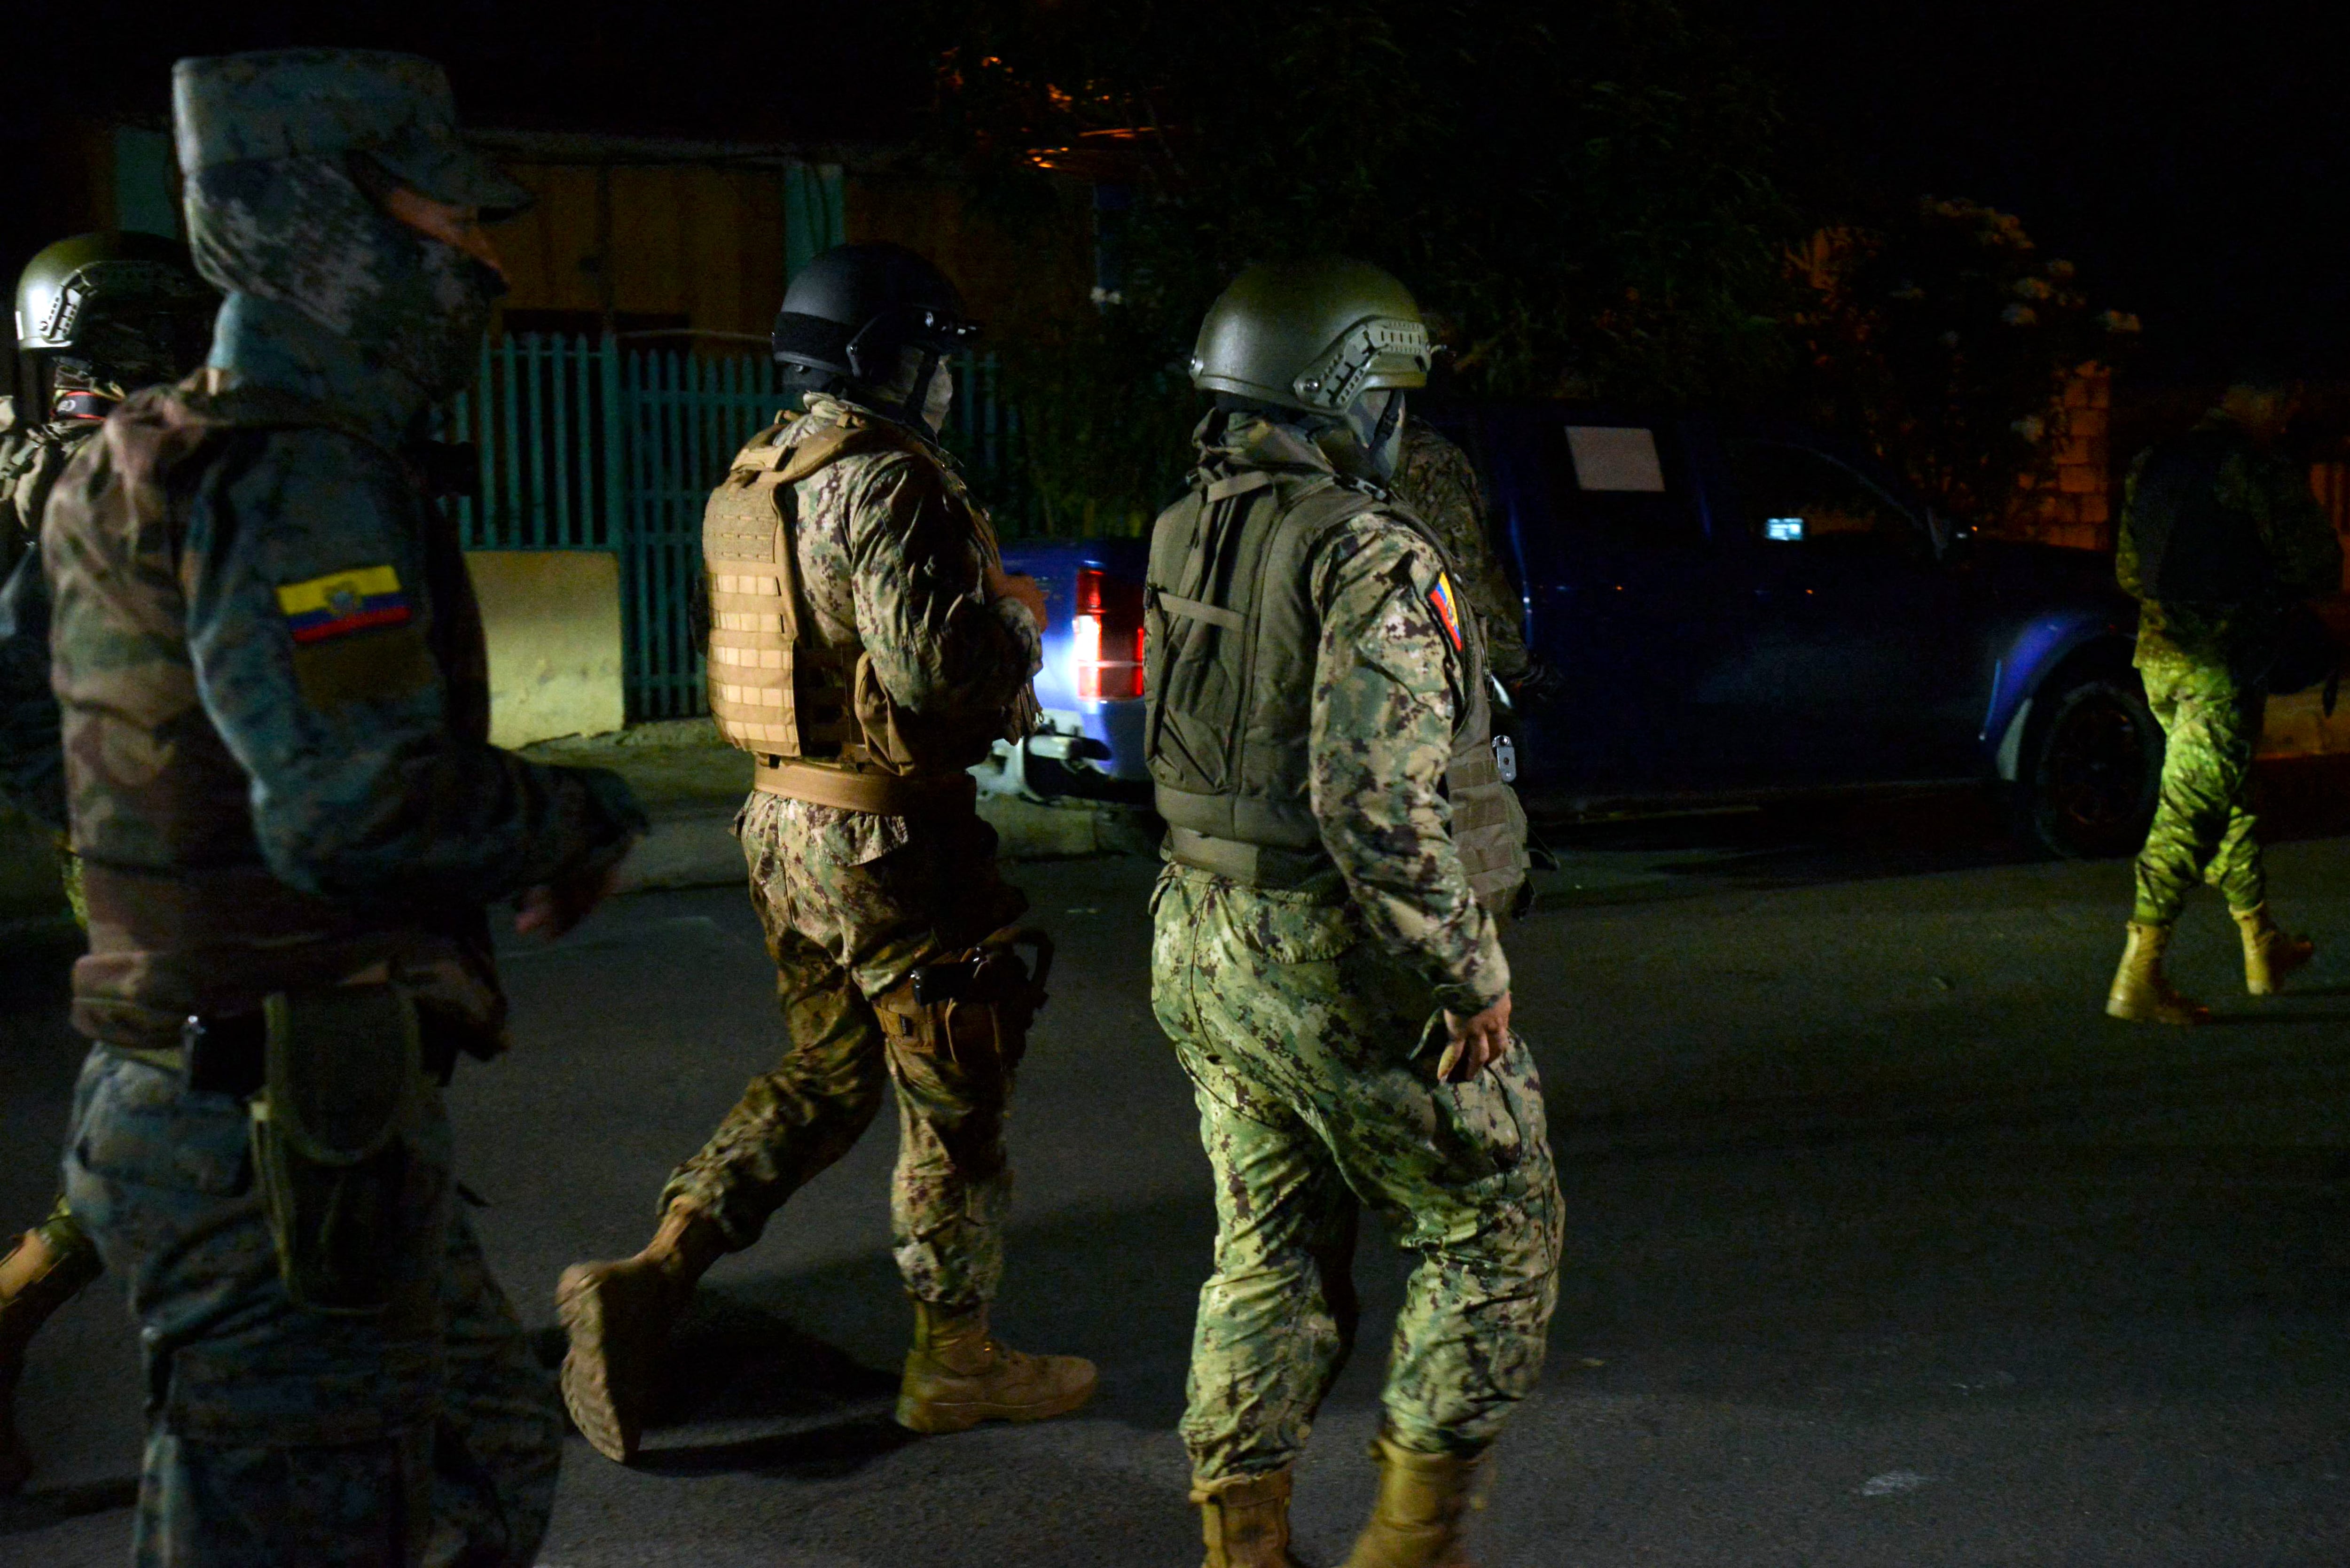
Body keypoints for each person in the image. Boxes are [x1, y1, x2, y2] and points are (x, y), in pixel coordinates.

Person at [46, 48, 645, 1565]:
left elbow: (21, 722)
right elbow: (351, 809)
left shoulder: (132, 453)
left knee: (485, 1448)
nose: (490, 256)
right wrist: (572, 815)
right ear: (327, 225)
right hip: (267, 1133)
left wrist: (175, 883)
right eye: (455, 221)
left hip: (250, 1106)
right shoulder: (305, 475)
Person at [555, 241, 1095, 1466]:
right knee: (956, 1091)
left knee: (832, 1072)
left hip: (780, 825)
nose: (945, 386)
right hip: (887, 836)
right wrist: (1016, 620)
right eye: (933, 360)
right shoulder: (888, 480)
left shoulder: (758, 474)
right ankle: (956, 1362)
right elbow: (938, 677)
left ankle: (653, 1273)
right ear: (884, 360)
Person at [1145, 257, 1560, 1568]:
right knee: (1493, 1215)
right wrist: (1467, 973)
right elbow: (1372, 805)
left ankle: (1240, 1544)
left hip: (1202, 931)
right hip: (1333, 951)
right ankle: (1410, 1548)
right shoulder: (1365, 548)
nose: (1396, 418)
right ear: (1333, 389)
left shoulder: (1194, 523)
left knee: (1267, 1244)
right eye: (1386, 388)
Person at [0, 231, 218, 1496]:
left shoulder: (92, 457)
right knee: (187, 1106)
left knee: (184, 1098)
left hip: (160, 843)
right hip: (149, 854)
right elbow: (19, 696)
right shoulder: (99, 476)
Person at [2106, 371, 2343, 1024]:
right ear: (2263, 399)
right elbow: (2319, 562)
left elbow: (2129, 570)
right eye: (2287, 403)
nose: (2290, 419)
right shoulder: (2254, 466)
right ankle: (2139, 974)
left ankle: (2260, 942)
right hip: (2221, 663)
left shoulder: (2155, 460)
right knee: (2189, 811)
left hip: (2160, 659)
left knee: (2226, 794)